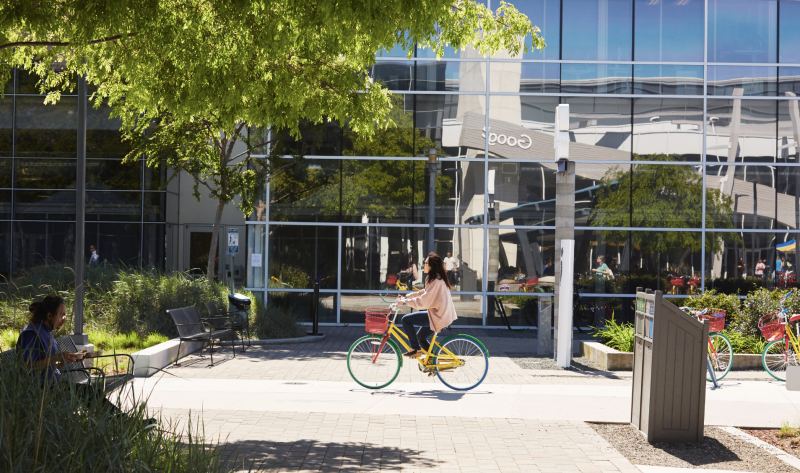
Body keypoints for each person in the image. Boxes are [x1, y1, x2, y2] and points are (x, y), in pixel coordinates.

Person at [16, 295, 155, 424]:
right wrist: (57, 357)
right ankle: (125, 424)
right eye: (61, 315)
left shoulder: (45, 332)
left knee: (92, 392)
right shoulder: (31, 334)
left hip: (55, 383)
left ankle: (123, 423)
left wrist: (67, 359)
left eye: (65, 315)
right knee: (89, 392)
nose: (64, 319)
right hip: (42, 389)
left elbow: (47, 365)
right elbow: (26, 367)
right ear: (49, 315)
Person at [397, 253, 458, 358]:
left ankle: (415, 349)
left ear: (432, 266)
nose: (423, 265)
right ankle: (433, 361)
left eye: (426, 263)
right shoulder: (434, 278)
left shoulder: (436, 281)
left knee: (405, 320)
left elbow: (424, 301)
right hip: (438, 313)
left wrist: (405, 302)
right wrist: (409, 296)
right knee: (421, 338)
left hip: (438, 316)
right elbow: (425, 292)